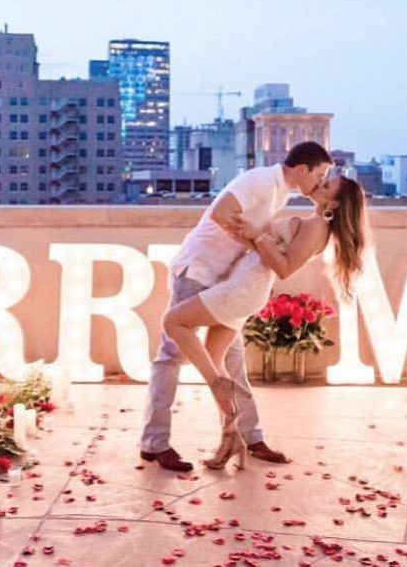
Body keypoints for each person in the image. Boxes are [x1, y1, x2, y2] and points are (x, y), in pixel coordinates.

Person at [139, 142, 333, 472]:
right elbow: (220, 214)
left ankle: (249, 437)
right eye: (320, 174)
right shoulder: (260, 180)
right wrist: (257, 243)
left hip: (227, 280)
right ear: (302, 169)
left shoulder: (280, 193)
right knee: (171, 356)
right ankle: (155, 443)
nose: (320, 182)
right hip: (199, 269)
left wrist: (258, 246)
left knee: (233, 360)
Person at [162, 174, 367, 468]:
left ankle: (216, 384)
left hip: (245, 286)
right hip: (244, 283)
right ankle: (232, 438)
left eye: (326, 186)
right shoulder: (314, 223)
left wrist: (257, 236)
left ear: (333, 204)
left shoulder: (317, 226)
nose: (319, 184)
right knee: (216, 358)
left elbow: (284, 268)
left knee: (174, 322)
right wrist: (252, 235)